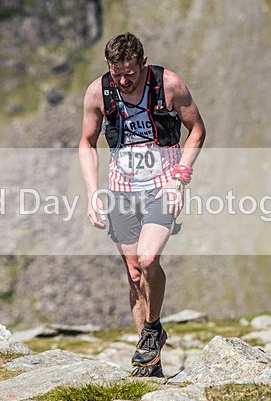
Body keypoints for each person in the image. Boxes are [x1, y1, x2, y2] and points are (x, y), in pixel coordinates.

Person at [79, 32, 206, 377]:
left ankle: (152, 329)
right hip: (121, 191)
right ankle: (150, 364)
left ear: (143, 64)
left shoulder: (169, 84)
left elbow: (196, 129)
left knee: (149, 259)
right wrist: (92, 193)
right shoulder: (99, 92)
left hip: (163, 187)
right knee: (134, 276)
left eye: (130, 74)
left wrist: (180, 179)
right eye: (116, 73)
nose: (123, 81)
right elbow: (87, 143)